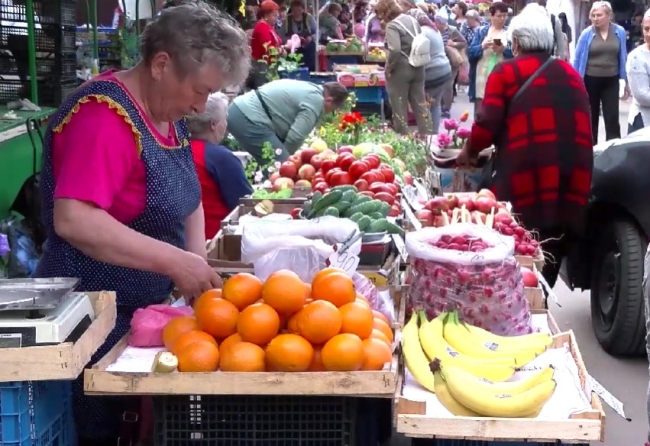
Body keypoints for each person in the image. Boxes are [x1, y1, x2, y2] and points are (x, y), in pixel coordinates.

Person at [35, 4, 249, 445]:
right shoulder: (103, 116)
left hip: (143, 317)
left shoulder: (169, 116)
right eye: (199, 90)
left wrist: (196, 266)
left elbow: (188, 199)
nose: (201, 104)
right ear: (161, 64)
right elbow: (75, 218)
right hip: (94, 321)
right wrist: (176, 263)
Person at [457, 3, 593, 287]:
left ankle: (521, 298)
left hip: (524, 179)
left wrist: (468, 152)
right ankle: (541, 295)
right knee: (550, 247)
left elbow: (486, 127)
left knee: (517, 243)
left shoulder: (506, 73)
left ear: (516, 42)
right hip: (570, 180)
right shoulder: (571, 75)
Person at [227, 80, 349, 164]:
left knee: (274, 163)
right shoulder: (316, 100)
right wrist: (288, 158)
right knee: (280, 168)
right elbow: (295, 137)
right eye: (333, 110)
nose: (328, 113)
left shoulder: (310, 88)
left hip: (241, 110)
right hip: (248, 117)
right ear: (329, 100)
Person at [188, 93, 253, 240]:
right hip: (216, 240)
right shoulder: (221, 158)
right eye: (225, 118)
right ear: (213, 124)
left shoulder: (175, 150)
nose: (226, 124)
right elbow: (246, 203)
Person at [573, 1, 630, 144]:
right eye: (593, 15)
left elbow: (623, 56)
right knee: (591, 118)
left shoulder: (619, 32)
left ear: (609, 16)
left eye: (599, 15)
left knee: (612, 118)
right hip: (590, 80)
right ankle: (591, 150)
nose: (595, 18)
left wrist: (625, 81)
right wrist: (575, 82)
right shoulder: (587, 34)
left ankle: (613, 149)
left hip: (611, 80)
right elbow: (577, 59)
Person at [378, 0, 433, 135]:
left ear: (385, 12)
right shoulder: (412, 20)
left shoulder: (392, 25)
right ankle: (428, 136)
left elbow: (395, 49)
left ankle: (403, 138)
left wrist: (389, 67)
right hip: (418, 66)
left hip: (401, 69)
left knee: (399, 107)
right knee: (420, 105)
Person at [409, 8, 451, 133]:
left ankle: (426, 135)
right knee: (435, 105)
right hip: (444, 70)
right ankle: (434, 134)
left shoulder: (421, 32)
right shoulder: (433, 29)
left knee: (424, 106)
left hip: (432, 72)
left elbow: (417, 56)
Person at [467, 1, 512, 113]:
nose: (502, 19)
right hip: (481, 79)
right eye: (499, 16)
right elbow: (470, 53)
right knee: (480, 112)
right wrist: (482, 46)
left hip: (501, 77)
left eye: (505, 16)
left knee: (497, 110)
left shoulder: (510, 33)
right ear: (491, 16)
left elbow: (516, 55)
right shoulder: (481, 31)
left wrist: (503, 50)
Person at [248, 0, 287, 90]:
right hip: (262, 67)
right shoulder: (261, 27)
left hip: (269, 66)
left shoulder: (268, 27)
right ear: (266, 15)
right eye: (274, 16)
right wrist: (281, 50)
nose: (276, 18)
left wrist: (283, 47)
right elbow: (269, 49)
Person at [434, 14, 467, 117]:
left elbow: (464, 42)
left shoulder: (452, 30)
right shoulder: (434, 30)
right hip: (438, 61)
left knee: (448, 84)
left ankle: (446, 108)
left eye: (443, 24)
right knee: (439, 84)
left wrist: (454, 44)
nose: (442, 25)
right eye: (440, 23)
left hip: (451, 62)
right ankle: (439, 105)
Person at [625, 9, 650, 133]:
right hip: (644, 124)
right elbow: (643, 96)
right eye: (646, 29)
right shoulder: (636, 57)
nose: (649, 34)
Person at [282, 0, 318, 71]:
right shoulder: (286, 20)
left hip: (308, 50)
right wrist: (291, 41)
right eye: (294, 10)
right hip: (293, 50)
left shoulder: (309, 18)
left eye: (299, 10)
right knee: (294, 69)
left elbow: (317, 32)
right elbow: (281, 36)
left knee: (309, 68)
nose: (296, 12)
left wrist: (311, 37)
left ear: (303, 9)